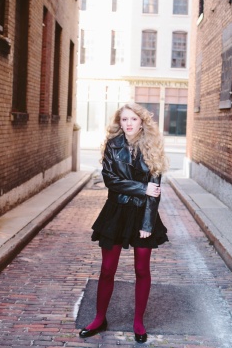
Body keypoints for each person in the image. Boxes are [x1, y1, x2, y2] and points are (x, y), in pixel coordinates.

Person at [79, 102, 169, 343]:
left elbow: (155, 192)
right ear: (120, 123)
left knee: (141, 269)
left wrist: (148, 224)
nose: (128, 124)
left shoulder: (153, 148)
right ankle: (100, 318)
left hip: (142, 213)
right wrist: (142, 187)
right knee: (107, 269)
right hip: (115, 211)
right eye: (124, 120)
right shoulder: (113, 145)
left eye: (133, 119)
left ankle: (138, 322)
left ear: (142, 122)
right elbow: (110, 180)